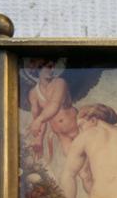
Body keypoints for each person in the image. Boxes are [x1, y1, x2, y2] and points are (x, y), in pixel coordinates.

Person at [26, 59, 93, 190]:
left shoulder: (59, 83)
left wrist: (38, 120)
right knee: (83, 173)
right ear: (38, 69)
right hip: (63, 137)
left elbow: (54, 106)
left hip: (78, 129)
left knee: (93, 168)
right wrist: (38, 139)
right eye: (47, 67)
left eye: (52, 67)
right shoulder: (33, 93)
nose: (51, 70)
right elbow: (38, 120)